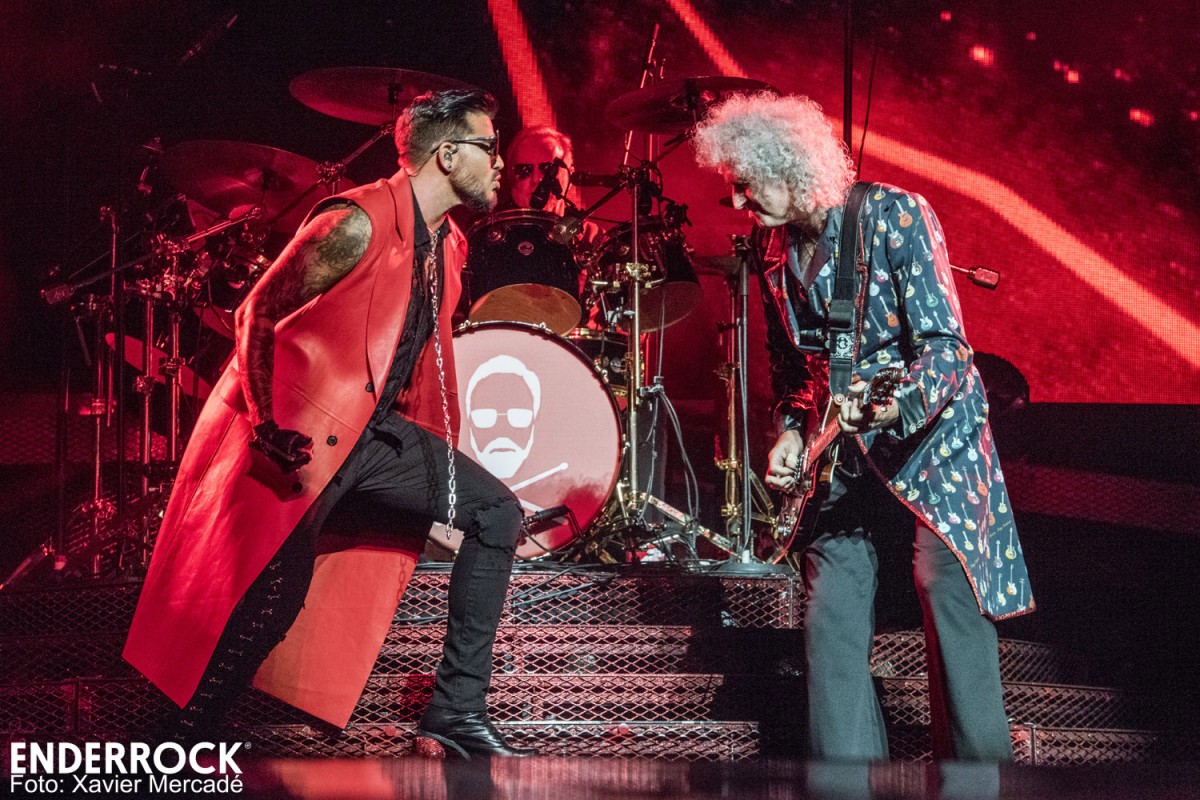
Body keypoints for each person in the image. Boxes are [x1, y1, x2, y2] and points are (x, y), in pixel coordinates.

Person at [123, 89, 536, 758]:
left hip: (375, 440)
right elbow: (256, 313)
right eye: (489, 148)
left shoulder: (449, 244)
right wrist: (266, 424)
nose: (500, 164)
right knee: (270, 603)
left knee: (496, 512)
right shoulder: (356, 221)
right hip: (304, 435)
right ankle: (177, 741)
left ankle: (455, 712)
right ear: (447, 154)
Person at [694, 93, 1033, 761]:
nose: (736, 202)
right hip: (844, 447)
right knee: (831, 606)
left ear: (790, 168)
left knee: (945, 589)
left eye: (746, 184)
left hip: (934, 437)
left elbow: (946, 349)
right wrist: (792, 431)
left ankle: (979, 777)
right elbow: (792, 369)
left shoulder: (896, 215)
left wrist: (889, 406)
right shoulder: (768, 249)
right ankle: (844, 777)